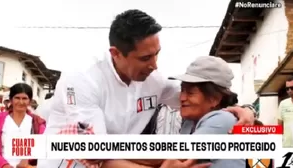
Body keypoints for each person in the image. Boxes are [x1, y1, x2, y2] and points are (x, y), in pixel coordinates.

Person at [38, 9, 255, 168]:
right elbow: (96, 152)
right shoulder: (83, 79)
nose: (154, 65)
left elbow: (200, 99)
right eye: (145, 58)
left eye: (156, 54)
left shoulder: (154, 79)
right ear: (116, 53)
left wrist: (243, 110)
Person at [169, 56, 245, 168]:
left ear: (214, 99)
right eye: (182, 90)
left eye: (190, 92)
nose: (182, 97)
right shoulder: (189, 123)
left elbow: (172, 157)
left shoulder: (222, 120)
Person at [0, 83, 46, 168]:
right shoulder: (0, 119)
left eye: (24, 98)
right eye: (17, 98)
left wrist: (26, 159)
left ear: (30, 101)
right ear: (11, 100)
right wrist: (4, 165)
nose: (21, 102)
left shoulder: (37, 122)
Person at [277, 76, 293, 147]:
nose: (289, 90)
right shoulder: (283, 104)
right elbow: (279, 125)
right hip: (287, 147)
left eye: (292, 88)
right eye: (287, 89)